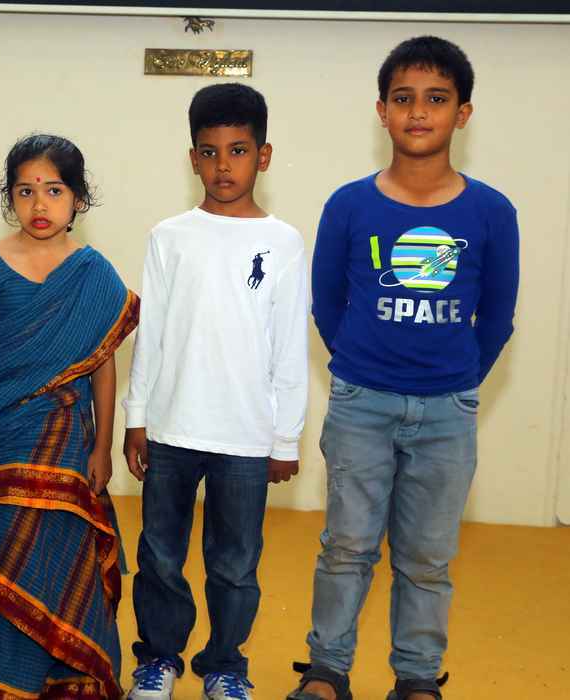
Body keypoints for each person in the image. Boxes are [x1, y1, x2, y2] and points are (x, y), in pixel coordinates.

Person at [286, 36, 519, 700]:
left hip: (448, 412)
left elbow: (497, 317)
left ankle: (417, 677)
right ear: (382, 111)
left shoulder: (492, 212)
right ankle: (327, 670)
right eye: (404, 98)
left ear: (462, 114)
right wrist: (360, 365)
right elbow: (327, 301)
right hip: (361, 403)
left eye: (437, 99)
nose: (419, 112)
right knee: (347, 546)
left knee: (427, 557)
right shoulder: (350, 205)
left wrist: (457, 379)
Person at [0, 134, 139, 699]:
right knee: (6, 547)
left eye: (54, 190)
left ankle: (67, 672)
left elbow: (102, 367)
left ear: (78, 199)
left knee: (63, 551)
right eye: (25, 192)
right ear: (10, 198)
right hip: (2, 432)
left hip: (69, 434)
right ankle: (1, 675)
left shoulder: (94, 272)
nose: (39, 204)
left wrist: (102, 448)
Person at [123, 83, 308, 700]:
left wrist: (285, 437)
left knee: (234, 564)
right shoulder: (169, 236)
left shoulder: (284, 242)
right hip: (172, 428)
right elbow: (152, 333)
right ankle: (158, 658)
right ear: (192, 158)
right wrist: (137, 416)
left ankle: (225, 663)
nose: (223, 165)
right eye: (209, 152)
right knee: (160, 556)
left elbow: (289, 346)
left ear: (264, 155)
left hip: (246, 437)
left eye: (238, 150)